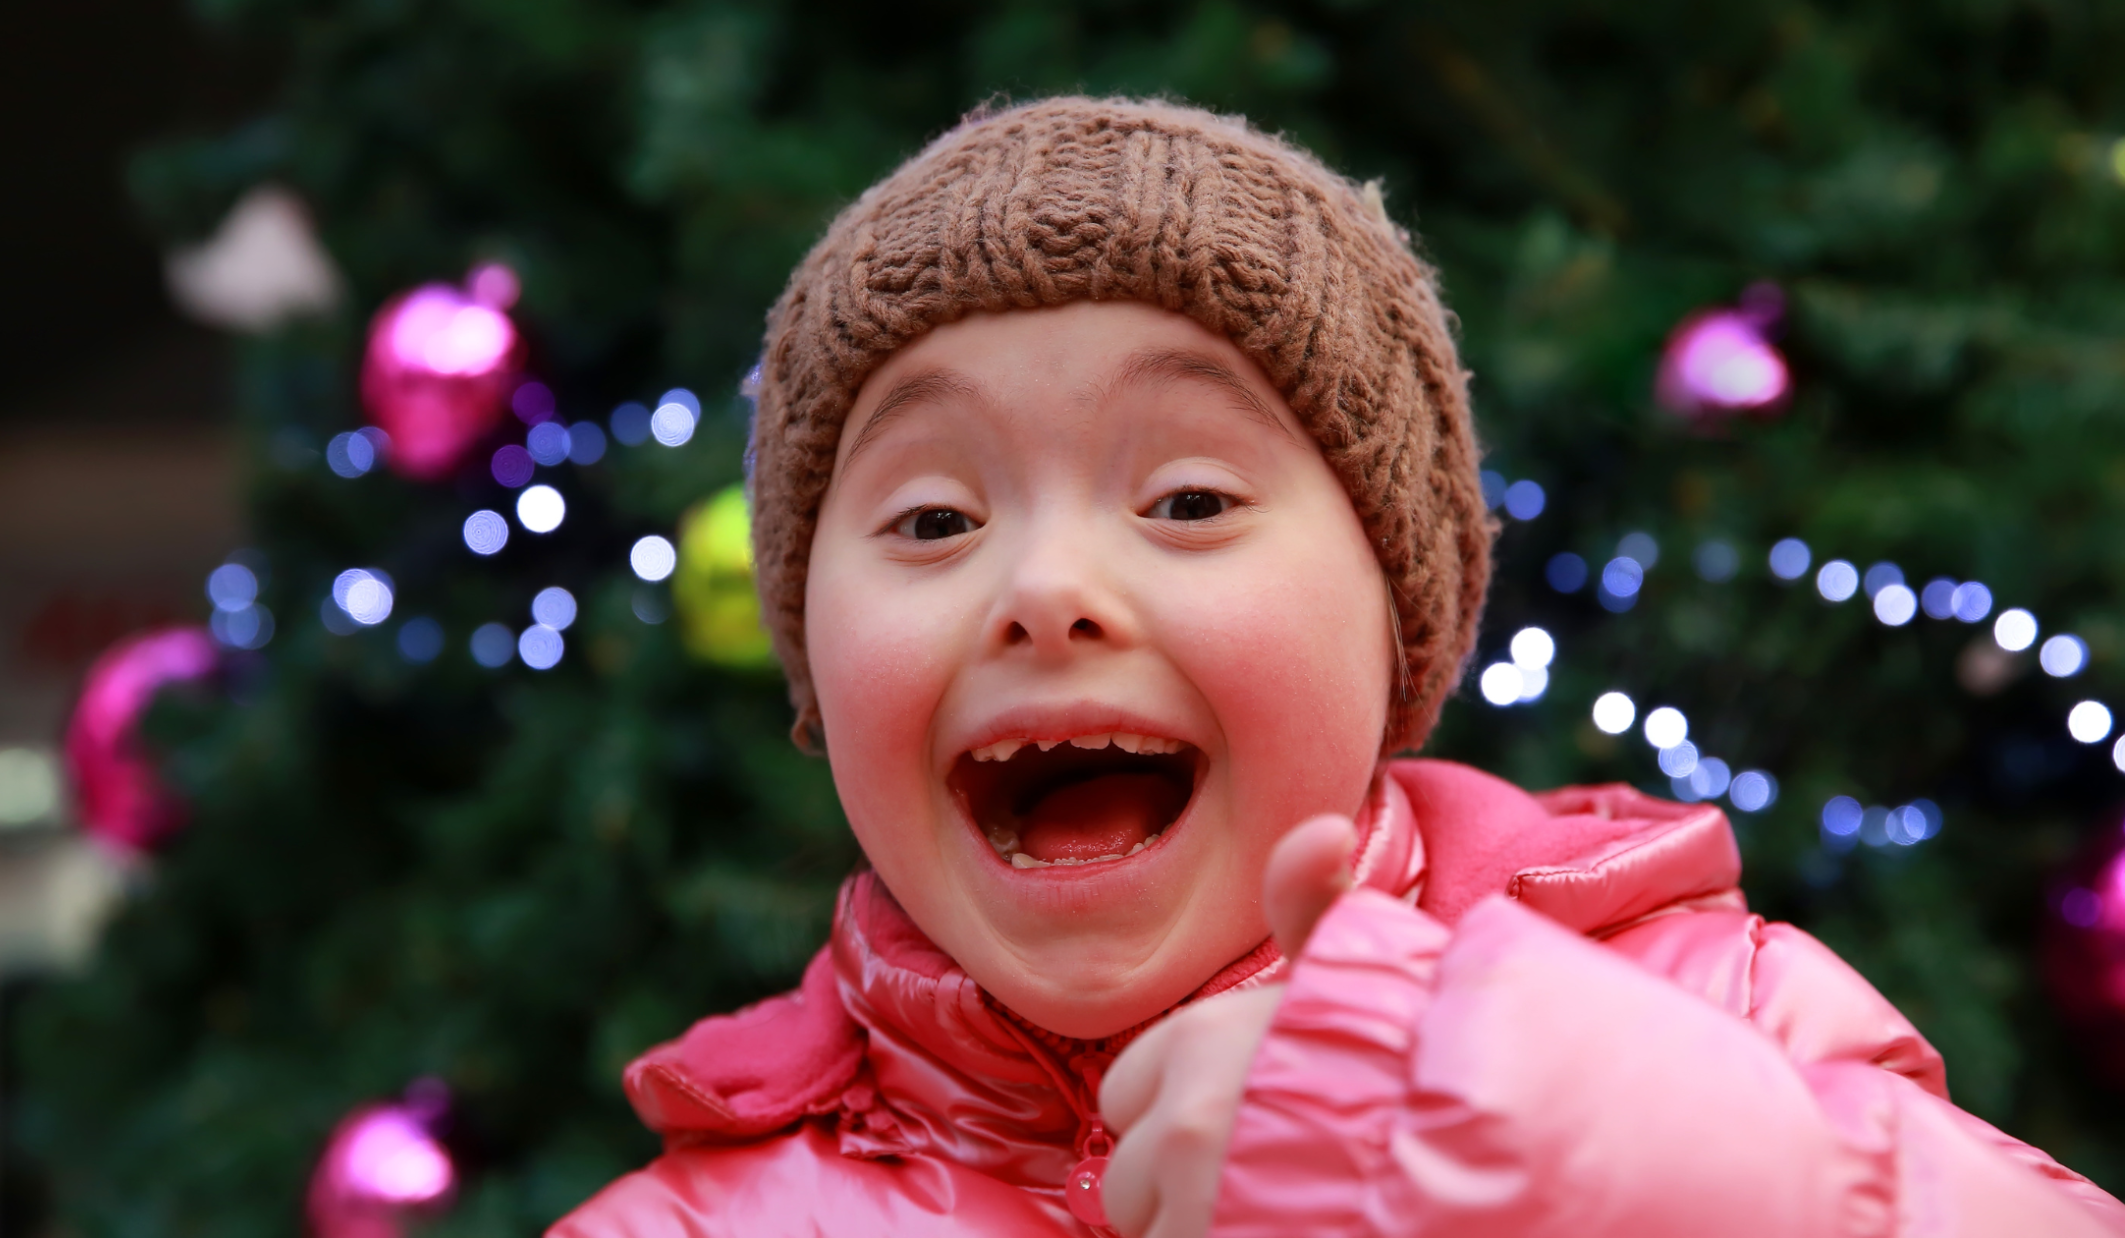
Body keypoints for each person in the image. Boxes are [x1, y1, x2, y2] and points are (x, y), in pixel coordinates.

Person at [551, 96, 2125, 1237]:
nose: (1043, 590)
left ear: (1397, 618)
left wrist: (1619, 1172)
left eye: (1187, 499)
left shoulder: (1707, 1026)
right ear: (813, 668)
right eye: (933, 514)